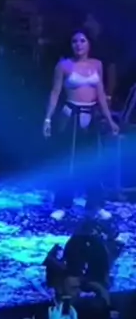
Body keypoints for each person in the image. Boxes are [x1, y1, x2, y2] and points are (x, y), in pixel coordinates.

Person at [43, 29, 119, 221]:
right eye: (74, 41)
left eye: (82, 41)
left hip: (91, 116)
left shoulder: (97, 64)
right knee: (68, 161)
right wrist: (48, 118)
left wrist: (110, 120)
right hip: (71, 116)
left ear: (89, 43)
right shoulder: (64, 65)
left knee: (93, 162)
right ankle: (62, 204)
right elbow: (55, 92)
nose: (78, 44)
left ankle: (95, 205)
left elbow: (100, 94)